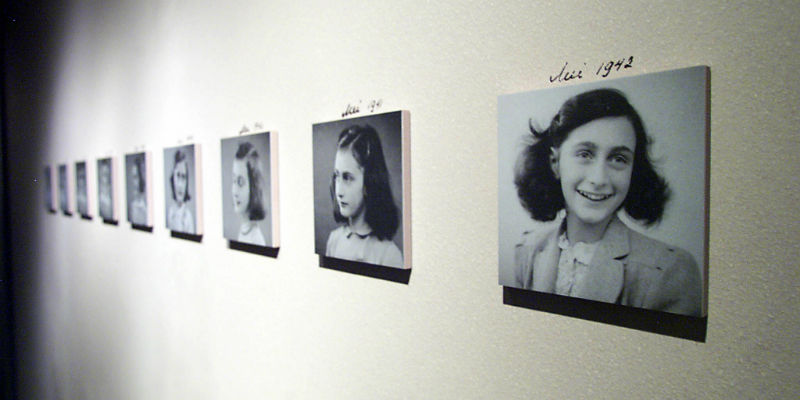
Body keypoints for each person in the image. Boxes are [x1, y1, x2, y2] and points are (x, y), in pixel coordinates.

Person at [513, 88, 701, 316]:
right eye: (585, 154)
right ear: (555, 163)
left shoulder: (670, 271)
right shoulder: (527, 252)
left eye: (618, 159)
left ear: (633, 171)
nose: (599, 179)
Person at [325, 124, 403, 268]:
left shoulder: (388, 255)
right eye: (337, 176)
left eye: (347, 177)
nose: (339, 191)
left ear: (369, 182)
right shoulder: (334, 240)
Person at [231, 141, 267, 246]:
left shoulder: (256, 239)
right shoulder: (244, 229)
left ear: (253, 187)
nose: (234, 191)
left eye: (240, 182)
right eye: (234, 181)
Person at [167, 149, 195, 233]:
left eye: (183, 177)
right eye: (178, 176)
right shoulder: (170, 211)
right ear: (173, 179)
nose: (180, 185)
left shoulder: (187, 217)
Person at [128, 156, 148, 226]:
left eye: (136, 177)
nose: (133, 182)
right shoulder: (134, 205)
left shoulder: (149, 206)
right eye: (133, 177)